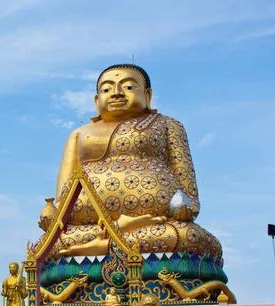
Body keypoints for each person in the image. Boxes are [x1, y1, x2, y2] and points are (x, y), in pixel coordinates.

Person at [45, 64, 221, 259]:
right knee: (48, 242)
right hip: (90, 223)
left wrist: (187, 208)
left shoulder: (166, 125)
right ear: (97, 101)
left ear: (148, 96)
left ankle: (99, 242)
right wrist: (52, 213)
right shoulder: (79, 133)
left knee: (190, 236)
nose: (117, 93)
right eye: (106, 89)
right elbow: (62, 195)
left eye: (128, 87)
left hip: (158, 222)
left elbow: (185, 177)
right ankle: (117, 233)